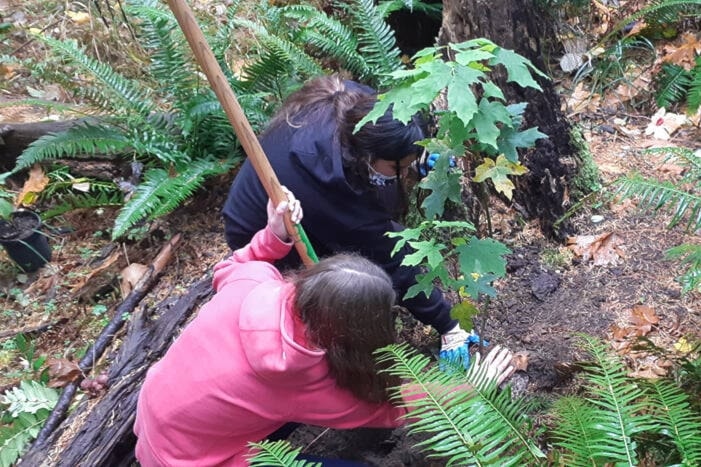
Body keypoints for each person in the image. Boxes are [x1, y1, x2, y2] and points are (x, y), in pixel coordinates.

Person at [134, 190, 515, 466]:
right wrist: (470, 389)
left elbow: (231, 267)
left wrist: (274, 235)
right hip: (189, 460)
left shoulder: (257, 285)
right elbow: (388, 409)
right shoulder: (301, 380)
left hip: (161, 414)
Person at [223, 74, 477, 367]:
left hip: (300, 203)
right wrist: (447, 323)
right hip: (262, 233)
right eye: (401, 167)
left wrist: (418, 154)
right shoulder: (331, 183)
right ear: (368, 157)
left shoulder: (358, 105)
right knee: (353, 282)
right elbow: (390, 256)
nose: (406, 174)